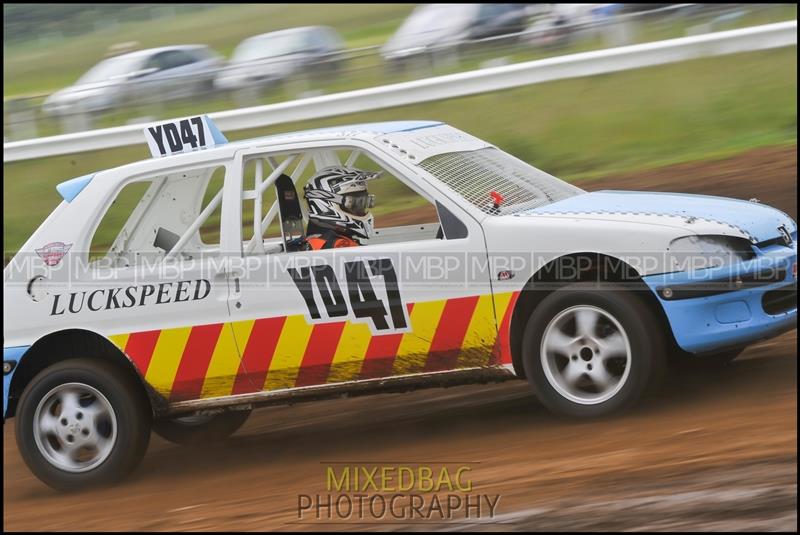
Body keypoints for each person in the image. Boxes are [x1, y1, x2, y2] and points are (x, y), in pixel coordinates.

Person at [302, 166, 382, 250]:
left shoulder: (325, 242)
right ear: (326, 204)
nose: (360, 209)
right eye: (353, 203)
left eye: (363, 202)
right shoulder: (335, 247)